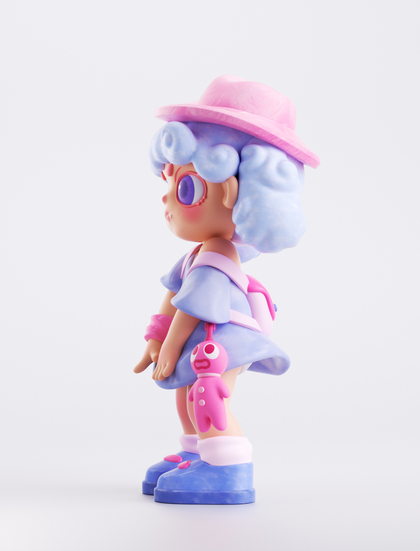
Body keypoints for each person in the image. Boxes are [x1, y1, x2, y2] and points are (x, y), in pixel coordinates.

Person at [134, 75, 319, 504]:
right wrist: (156, 338)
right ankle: (196, 455)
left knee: (208, 398)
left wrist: (170, 346)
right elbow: (174, 296)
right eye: (169, 181)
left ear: (235, 192)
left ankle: (227, 467)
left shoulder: (218, 253)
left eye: (186, 187)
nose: (167, 200)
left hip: (220, 341)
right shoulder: (200, 252)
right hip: (201, 341)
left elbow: (194, 306)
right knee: (186, 399)